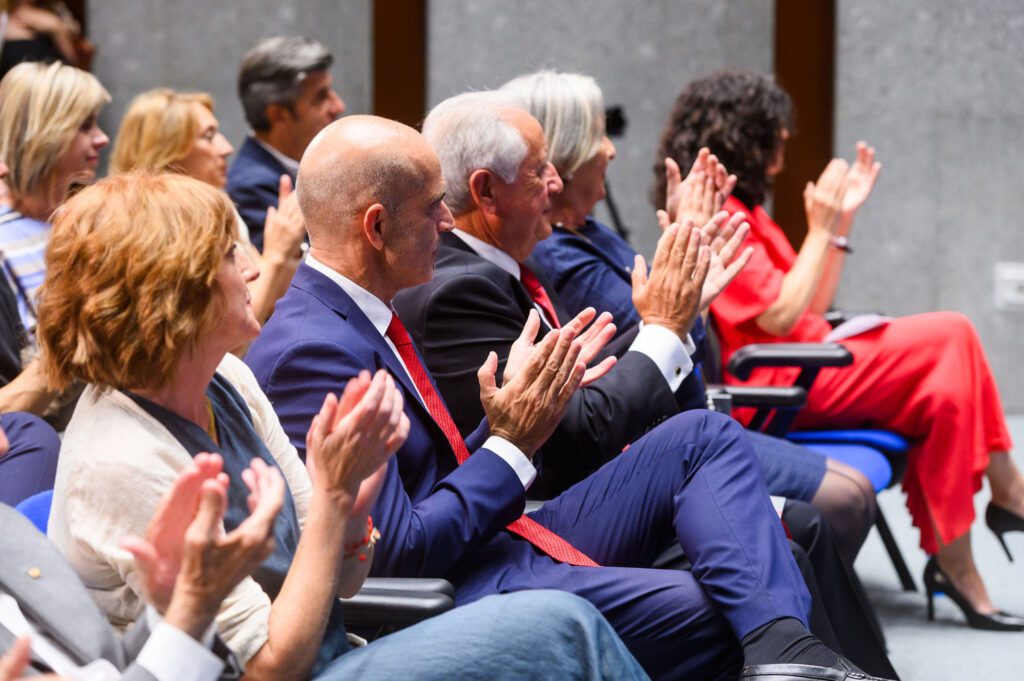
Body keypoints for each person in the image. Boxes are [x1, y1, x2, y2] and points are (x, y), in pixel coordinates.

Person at [245, 112, 893, 681]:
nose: (447, 221)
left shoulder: (361, 314)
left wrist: (508, 420)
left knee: (703, 438)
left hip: (497, 532)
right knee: (720, 607)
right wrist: (511, 442)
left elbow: (430, 476)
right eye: (432, 207)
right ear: (376, 227)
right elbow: (401, 554)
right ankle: (786, 652)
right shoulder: (313, 349)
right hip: (459, 583)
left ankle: (787, 656)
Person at [37, 171, 650, 681]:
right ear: (167, 293)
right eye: (229, 254)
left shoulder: (226, 379)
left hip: (336, 651)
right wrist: (333, 503)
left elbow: (349, 576)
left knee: (566, 624)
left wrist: (352, 509)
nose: (254, 269)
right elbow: (269, 667)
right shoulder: (119, 456)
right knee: (562, 627)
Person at [656, 70, 1024, 631]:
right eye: (775, 139)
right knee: (952, 335)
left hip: (808, 362)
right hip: (779, 386)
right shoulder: (721, 218)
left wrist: (839, 225)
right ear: (745, 137)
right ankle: (1005, 500)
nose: (781, 155)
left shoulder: (749, 214)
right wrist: (821, 228)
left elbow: (809, 305)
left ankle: (967, 555)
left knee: (948, 390)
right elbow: (778, 315)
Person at [499, 70, 877, 564]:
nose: (610, 151)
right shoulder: (557, 254)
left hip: (689, 413)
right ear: (564, 156)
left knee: (855, 493)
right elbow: (659, 335)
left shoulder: (591, 232)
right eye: (597, 136)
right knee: (842, 502)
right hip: (649, 436)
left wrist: (687, 256)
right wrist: (687, 249)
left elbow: (673, 321)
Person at [0, 446, 289, 680]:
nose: (4, 443)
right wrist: (332, 500)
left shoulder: (6, 526)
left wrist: (171, 607)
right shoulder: (114, 461)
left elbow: (111, 666)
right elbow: (276, 666)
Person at [110, 88, 305, 325]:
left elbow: (269, 294)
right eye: (209, 136)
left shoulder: (220, 204)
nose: (226, 148)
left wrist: (289, 250)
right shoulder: (159, 229)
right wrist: (276, 254)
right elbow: (233, 333)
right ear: (167, 154)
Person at [0, 60, 108, 331]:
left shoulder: (93, 222)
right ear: (42, 133)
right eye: (85, 126)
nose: (103, 138)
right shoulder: (5, 240)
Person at [227, 36, 345, 251]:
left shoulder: (310, 166)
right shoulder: (251, 188)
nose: (338, 105)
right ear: (278, 114)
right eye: (320, 97)